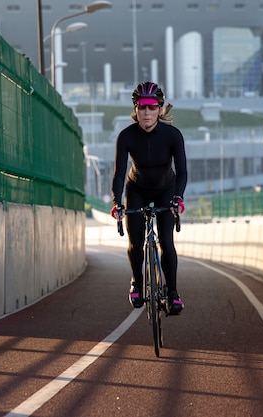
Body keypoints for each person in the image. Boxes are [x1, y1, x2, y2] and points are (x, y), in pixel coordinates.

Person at [110, 81, 187, 315]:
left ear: (160, 109)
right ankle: (137, 281)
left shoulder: (173, 135)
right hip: (137, 190)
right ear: (135, 109)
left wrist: (178, 198)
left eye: (152, 107)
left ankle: (173, 293)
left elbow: (182, 171)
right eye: (142, 107)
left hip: (166, 189)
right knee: (135, 243)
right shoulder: (126, 137)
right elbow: (119, 173)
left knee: (166, 240)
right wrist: (116, 203)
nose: (147, 113)